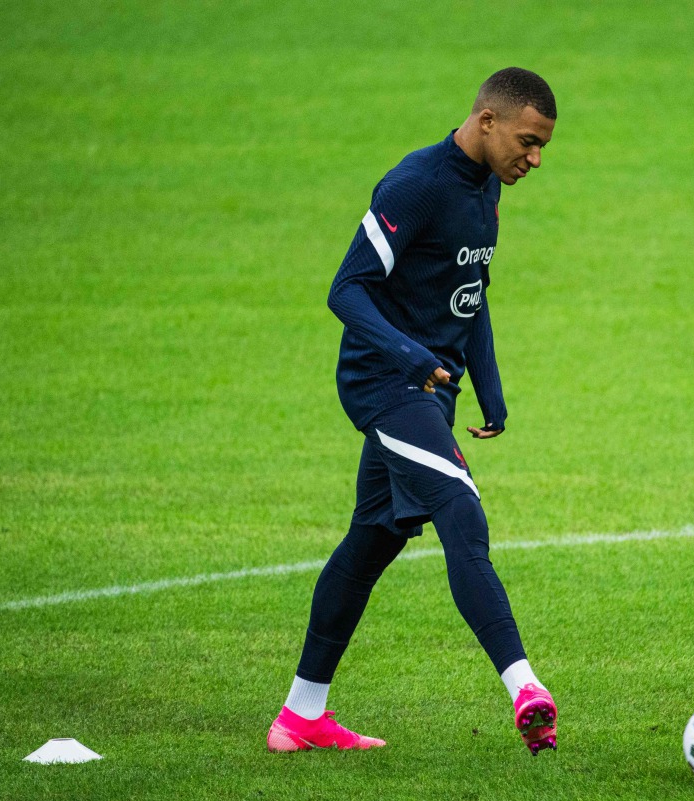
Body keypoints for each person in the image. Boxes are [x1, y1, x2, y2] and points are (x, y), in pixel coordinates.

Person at [266, 68, 559, 756]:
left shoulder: (488, 185)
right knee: (460, 504)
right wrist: (406, 354)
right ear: (486, 121)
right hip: (385, 383)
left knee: (374, 536)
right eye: (527, 141)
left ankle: (300, 715)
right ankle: (524, 686)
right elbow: (347, 289)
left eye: (544, 146)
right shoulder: (416, 185)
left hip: (431, 386)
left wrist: (488, 385)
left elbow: (470, 290)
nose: (536, 159)